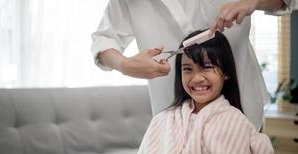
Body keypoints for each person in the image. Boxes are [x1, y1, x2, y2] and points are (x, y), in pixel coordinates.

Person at [91, 0, 296, 130]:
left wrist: (255, 1)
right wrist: (125, 65)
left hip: (242, 105)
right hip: (173, 118)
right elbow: (104, 38)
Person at [121, 30, 275, 154]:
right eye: (188, 69)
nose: (197, 78)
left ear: (226, 72)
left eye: (207, 67)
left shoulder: (233, 121)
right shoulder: (164, 119)